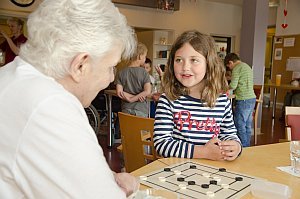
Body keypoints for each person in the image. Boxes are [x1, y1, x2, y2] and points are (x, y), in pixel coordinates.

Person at [0, 0, 139, 198]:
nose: (110, 78)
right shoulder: (51, 104)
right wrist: (125, 189)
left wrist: (102, 178)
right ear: (80, 65)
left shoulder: (10, 76)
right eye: (110, 67)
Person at [153, 30, 242, 161]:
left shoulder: (222, 101)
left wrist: (236, 146)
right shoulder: (168, 100)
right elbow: (161, 144)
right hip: (178, 173)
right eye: (179, 60)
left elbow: (229, 134)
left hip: (214, 171)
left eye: (194, 60)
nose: (185, 67)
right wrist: (203, 152)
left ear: (209, 64)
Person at [224, 53, 256, 147]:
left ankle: (244, 147)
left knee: (239, 124)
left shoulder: (237, 68)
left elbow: (233, 85)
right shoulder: (247, 66)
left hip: (243, 99)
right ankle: (247, 145)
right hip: (251, 98)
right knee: (247, 125)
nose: (230, 68)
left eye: (228, 66)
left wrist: (225, 88)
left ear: (230, 62)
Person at [116, 42, 152, 118]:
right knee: (140, 130)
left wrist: (130, 98)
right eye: (145, 56)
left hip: (126, 108)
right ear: (139, 56)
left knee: (126, 129)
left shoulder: (121, 72)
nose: (145, 58)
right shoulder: (144, 73)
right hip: (141, 109)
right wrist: (134, 99)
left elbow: (119, 92)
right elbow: (147, 91)